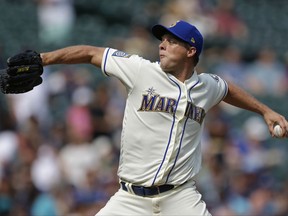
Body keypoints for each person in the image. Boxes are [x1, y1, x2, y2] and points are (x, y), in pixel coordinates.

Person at [15, 20, 288, 215]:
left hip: (180, 197)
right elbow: (91, 53)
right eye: (162, 40)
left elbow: (228, 89)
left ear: (190, 51)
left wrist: (265, 110)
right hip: (130, 199)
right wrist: (43, 58)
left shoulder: (207, 86)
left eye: (172, 41)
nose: (162, 45)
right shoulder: (141, 70)